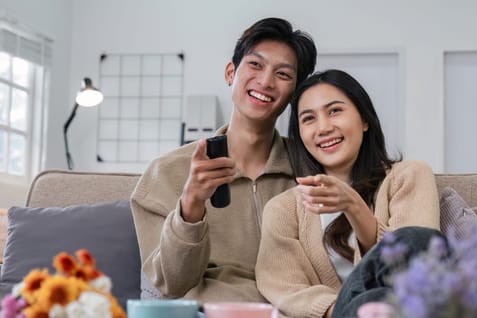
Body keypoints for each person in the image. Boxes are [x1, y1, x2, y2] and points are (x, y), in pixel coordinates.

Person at [130, 17, 316, 303]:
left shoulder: (311, 170)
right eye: (255, 65)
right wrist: (190, 207)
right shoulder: (166, 173)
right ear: (231, 72)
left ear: (294, 93)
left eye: (283, 74)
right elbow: (171, 285)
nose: (265, 81)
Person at [255, 69, 441, 318]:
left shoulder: (409, 175)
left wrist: (354, 206)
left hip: (406, 306)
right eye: (308, 119)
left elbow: (412, 264)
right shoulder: (283, 208)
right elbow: (285, 288)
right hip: (339, 314)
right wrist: (346, 310)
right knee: (374, 302)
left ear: (364, 120)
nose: (323, 127)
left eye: (334, 111)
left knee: (416, 240)